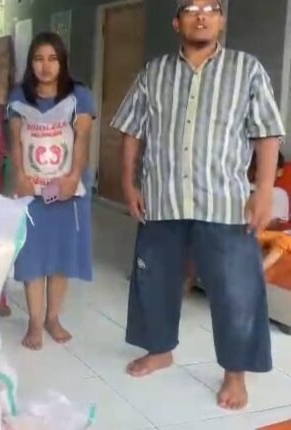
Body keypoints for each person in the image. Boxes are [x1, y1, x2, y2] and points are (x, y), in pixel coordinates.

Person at [111, 0, 285, 410]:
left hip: (225, 203)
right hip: (163, 197)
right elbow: (132, 130)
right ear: (177, 22)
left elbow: (267, 133)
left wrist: (263, 190)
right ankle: (159, 350)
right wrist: (128, 183)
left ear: (221, 20)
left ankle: (235, 373)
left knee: (236, 290)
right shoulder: (154, 72)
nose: (202, 15)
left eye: (211, 7)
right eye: (191, 8)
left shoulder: (246, 69)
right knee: (154, 280)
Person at [7, 32, 95, 350]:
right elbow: (16, 141)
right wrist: (20, 176)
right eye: (39, 59)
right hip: (32, 190)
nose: (45, 66)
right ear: (30, 63)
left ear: (62, 62)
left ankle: (52, 318)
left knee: (60, 256)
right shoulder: (20, 95)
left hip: (67, 191)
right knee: (32, 255)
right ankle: (34, 321)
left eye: (52, 59)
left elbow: (82, 139)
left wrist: (73, 177)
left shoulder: (79, 95)